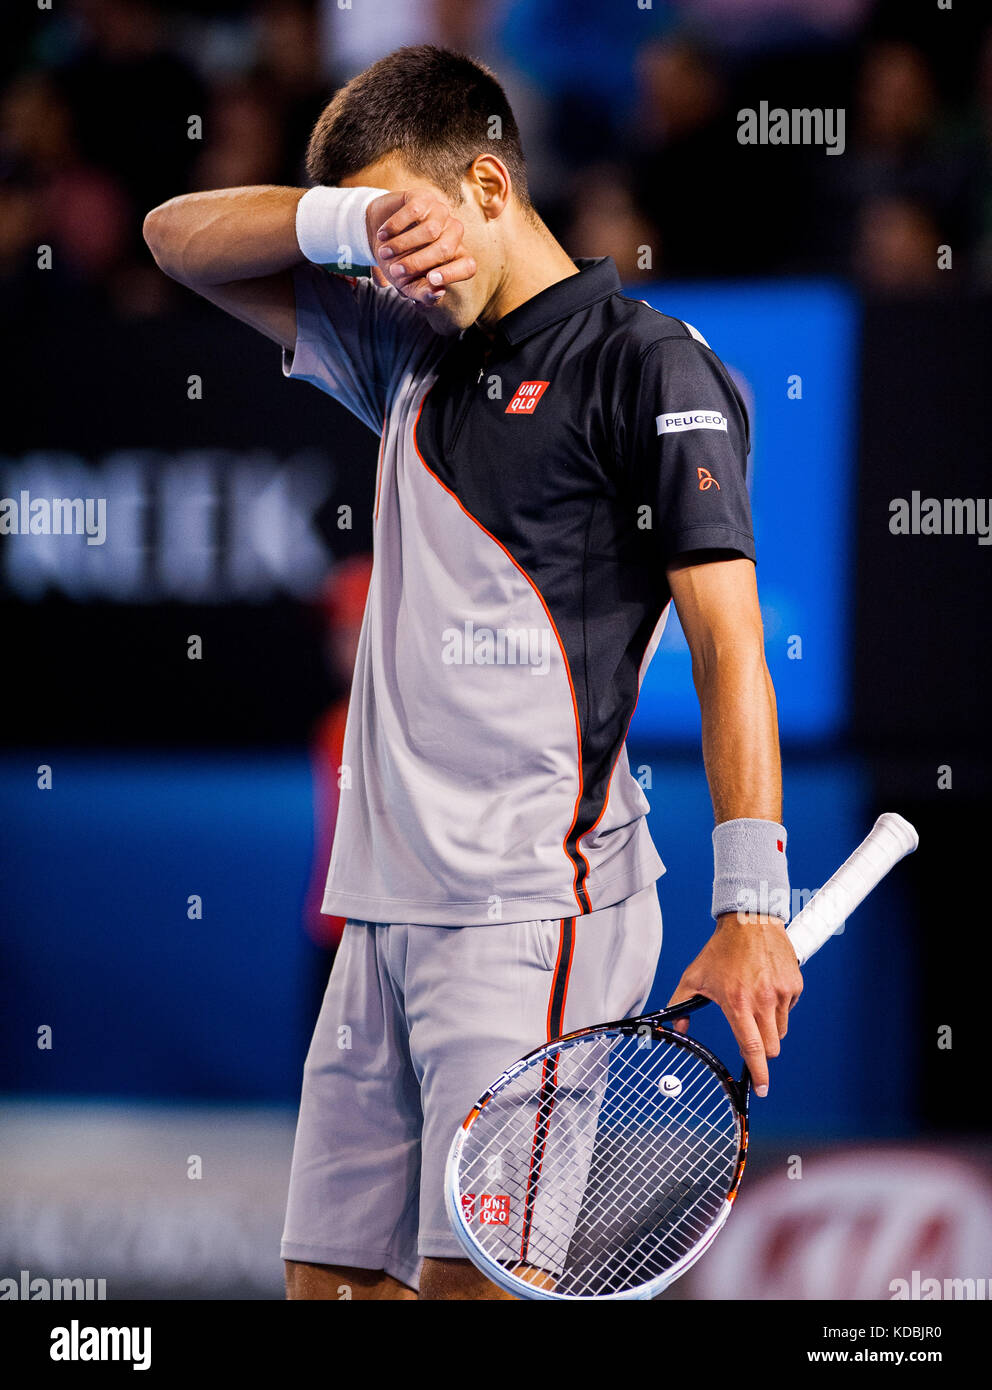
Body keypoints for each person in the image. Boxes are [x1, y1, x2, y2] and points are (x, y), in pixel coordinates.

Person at [143, 44, 802, 1302]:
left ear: (492, 187)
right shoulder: (404, 341)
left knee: (471, 1297)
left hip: (528, 915)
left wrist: (751, 901)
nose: (399, 266)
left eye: (417, 224)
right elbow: (176, 237)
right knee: (329, 1288)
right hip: (377, 916)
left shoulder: (650, 367)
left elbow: (728, 643)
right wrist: (353, 226)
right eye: (374, 243)